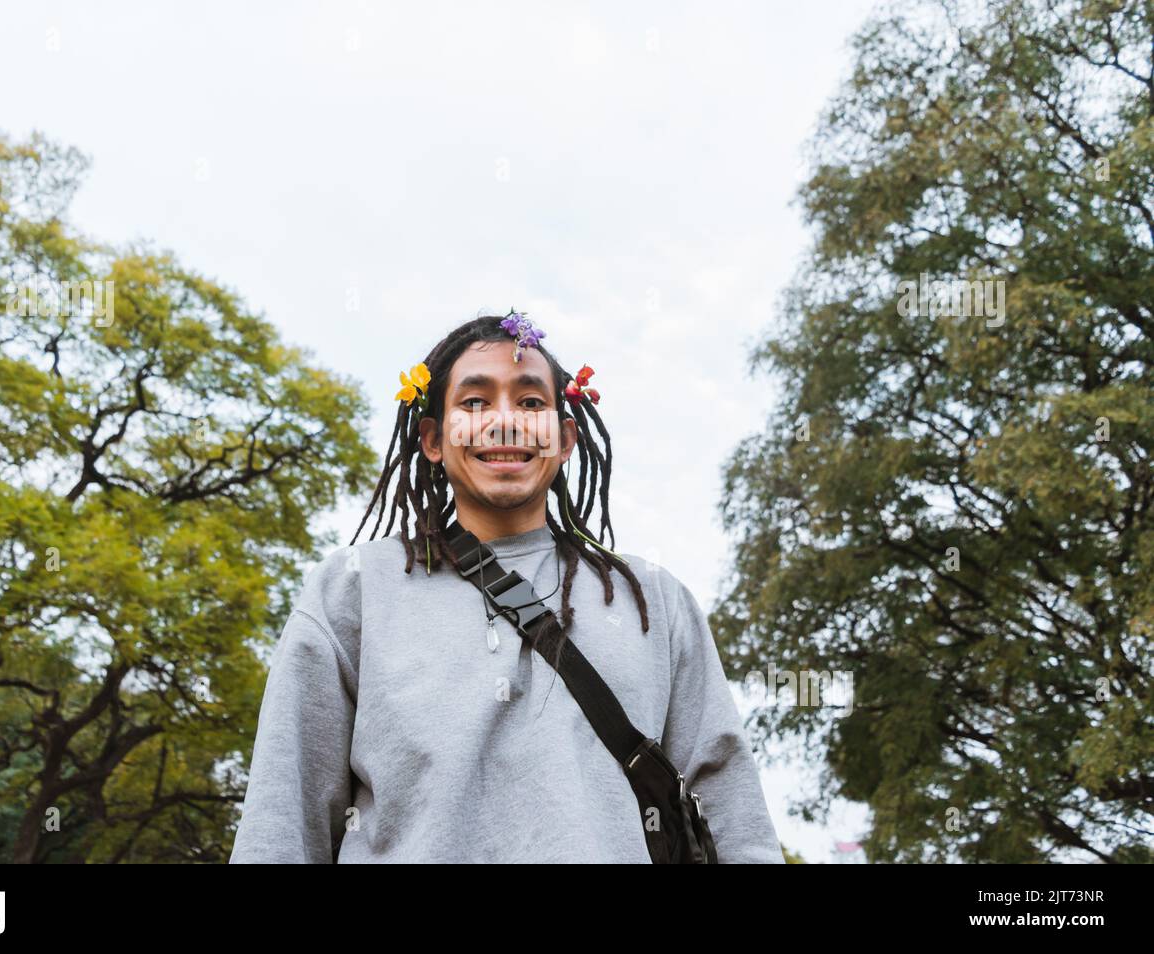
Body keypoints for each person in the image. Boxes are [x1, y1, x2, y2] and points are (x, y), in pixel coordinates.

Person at [229, 312, 784, 863]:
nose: (504, 421)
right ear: (433, 440)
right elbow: (283, 821)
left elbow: (731, 810)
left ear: (565, 439)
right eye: (474, 402)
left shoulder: (654, 601)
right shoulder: (352, 591)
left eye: (531, 402)